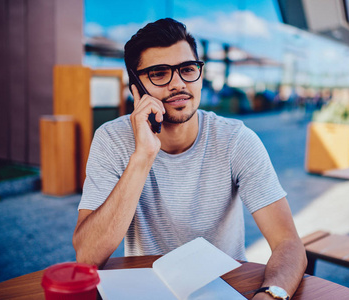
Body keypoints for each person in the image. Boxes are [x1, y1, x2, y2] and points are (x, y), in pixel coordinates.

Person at [73, 18, 306, 300]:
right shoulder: (112, 139)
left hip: (223, 289)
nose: (178, 84)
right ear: (135, 87)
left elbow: (289, 243)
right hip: (146, 291)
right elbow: (87, 258)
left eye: (187, 69)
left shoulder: (235, 140)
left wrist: (269, 296)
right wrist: (143, 156)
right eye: (159, 73)